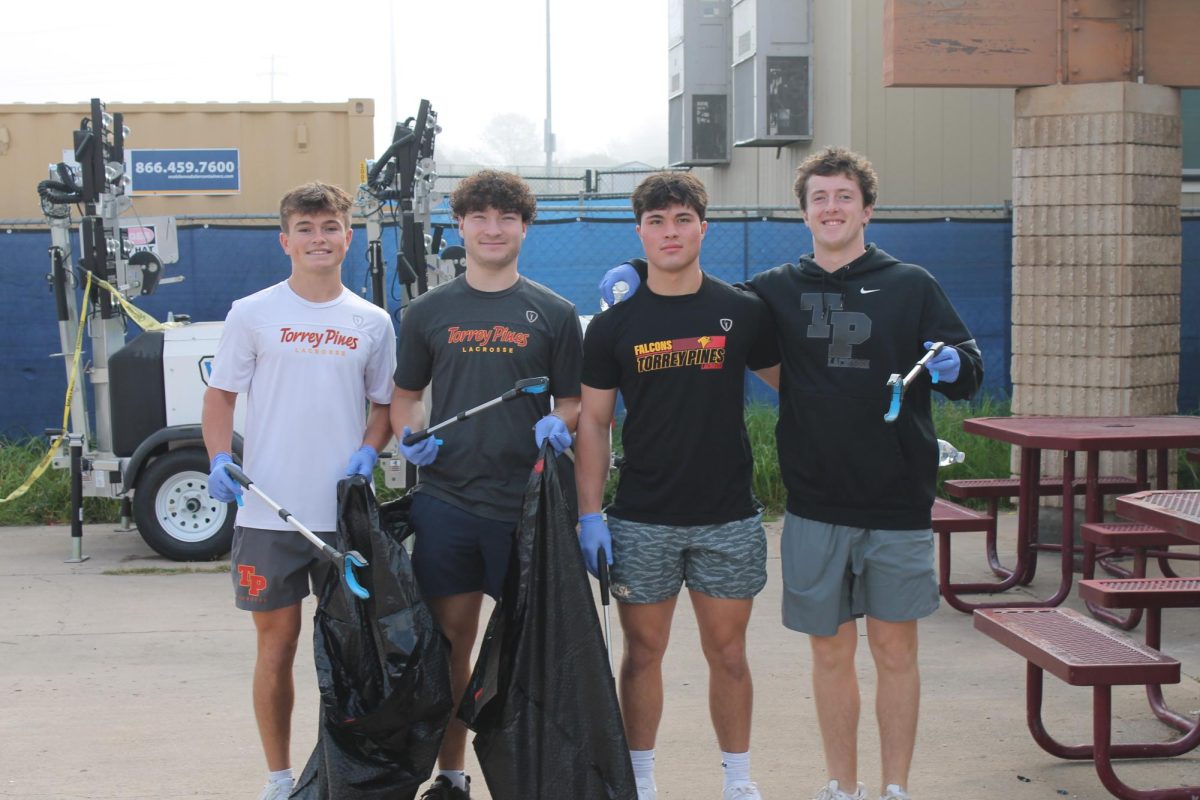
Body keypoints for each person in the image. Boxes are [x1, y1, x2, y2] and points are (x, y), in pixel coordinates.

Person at [601, 147, 983, 800]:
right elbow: (694, 300)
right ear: (803, 213)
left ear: (867, 208)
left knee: (896, 655)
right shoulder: (774, 291)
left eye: (843, 197)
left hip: (897, 502)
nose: (831, 209)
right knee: (829, 655)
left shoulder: (912, 284)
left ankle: (895, 788)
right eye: (819, 199)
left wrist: (954, 367)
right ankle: (842, 785)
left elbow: (967, 370)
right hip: (813, 506)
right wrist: (634, 277)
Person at [576, 172, 778, 800]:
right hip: (642, 517)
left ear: (702, 228)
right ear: (640, 231)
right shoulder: (612, 327)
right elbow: (595, 423)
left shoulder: (741, 311)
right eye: (657, 222)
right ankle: (640, 780)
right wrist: (589, 513)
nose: (670, 232)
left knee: (730, 654)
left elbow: (803, 391)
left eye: (682, 219)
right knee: (642, 654)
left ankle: (738, 781)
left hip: (727, 517)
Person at [390, 169, 583, 800]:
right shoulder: (425, 312)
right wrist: (410, 433)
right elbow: (408, 399)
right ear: (461, 226)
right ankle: (451, 775)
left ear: (525, 227)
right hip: (446, 504)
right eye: (480, 218)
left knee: (532, 651)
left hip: (524, 509)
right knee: (450, 645)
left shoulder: (554, 313)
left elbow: (573, 401)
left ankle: (532, 776)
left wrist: (560, 421)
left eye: (506, 218)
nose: (493, 229)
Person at [201, 182, 397, 800]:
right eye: (306, 229)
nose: (319, 238)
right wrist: (217, 457)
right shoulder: (252, 312)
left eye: (330, 227)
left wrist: (370, 449)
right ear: (285, 240)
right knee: (276, 648)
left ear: (348, 237)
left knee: (351, 656)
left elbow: (386, 404)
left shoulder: (372, 321)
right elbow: (220, 397)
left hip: (343, 518)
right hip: (268, 517)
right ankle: (280, 779)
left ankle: (347, 774)